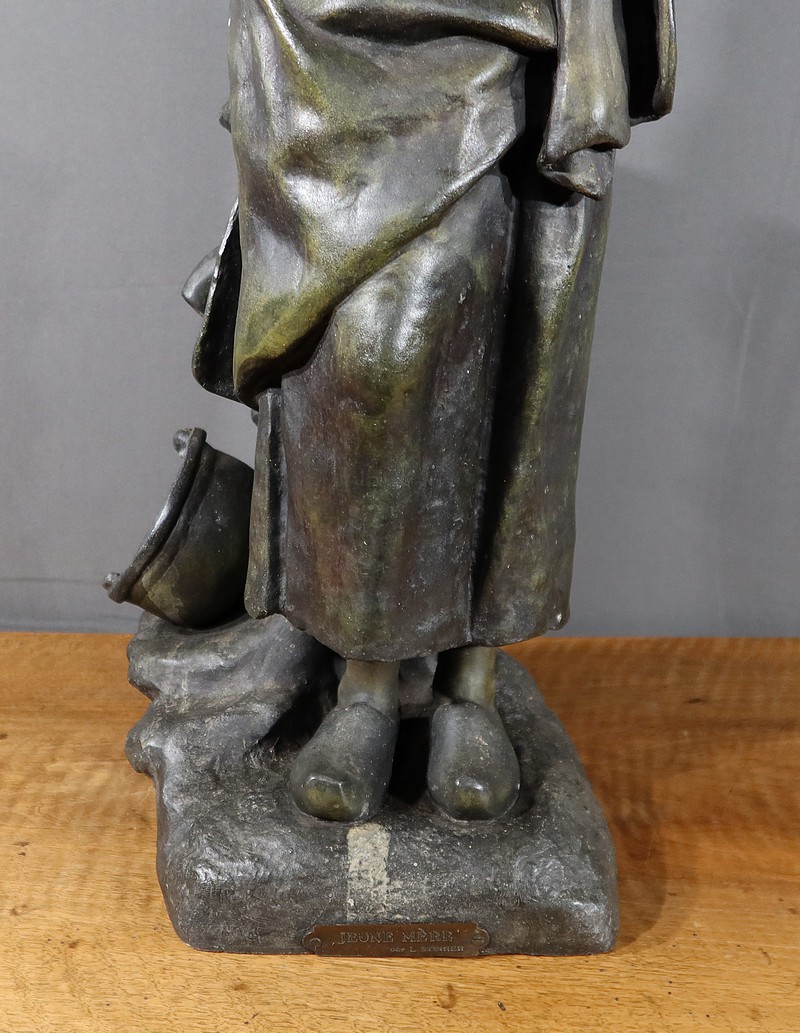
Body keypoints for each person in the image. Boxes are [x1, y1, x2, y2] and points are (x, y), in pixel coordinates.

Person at [190, 0, 676, 822]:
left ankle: (469, 685)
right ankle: (366, 682)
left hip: (525, 29)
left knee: (515, 334)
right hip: (332, 40)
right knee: (369, 363)